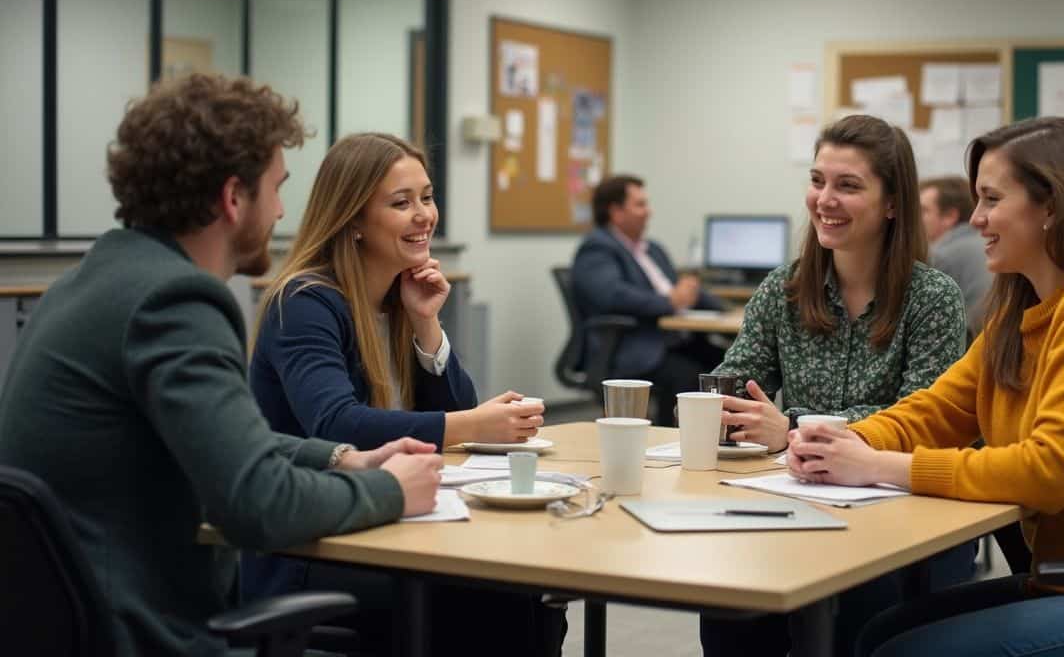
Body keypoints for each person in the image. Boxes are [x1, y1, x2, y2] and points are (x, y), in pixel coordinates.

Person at [0, 74, 442, 657]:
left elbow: (236, 444)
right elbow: (258, 502)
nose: (284, 210)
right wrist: (388, 490)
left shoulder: (92, 281)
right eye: (277, 188)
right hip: (144, 632)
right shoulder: (175, 303)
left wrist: (342, 457)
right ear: (235, 198)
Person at [787, 117, 1064, 657]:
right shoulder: (1021, 314)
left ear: (1053, 207)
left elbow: (1050, 471)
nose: (975, 219)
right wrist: (841, 442)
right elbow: (938, 409)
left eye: (992, 199)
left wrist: (877, 465)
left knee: (900, 653)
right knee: (873, 634)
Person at [245, 132, 564, 655]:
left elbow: (456, 415)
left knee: (528, 591)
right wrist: (473, 425)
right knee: (496, 598)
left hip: (391, 524)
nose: (424, 215)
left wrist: (426, 325)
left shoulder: (399, 295)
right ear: (352, 219)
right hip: (312, 545)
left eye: (427, 196)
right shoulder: (304, 303)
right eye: (401, 203)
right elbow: (338, 426)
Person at [700, 114, 971, 657]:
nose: (825, 199)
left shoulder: (932, 297)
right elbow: (729, 392)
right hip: (791, 499)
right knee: (730, 603)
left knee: (861, 609)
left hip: (892, 512)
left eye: (848, 186)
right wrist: (724, 410)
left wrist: (791, 427)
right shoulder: (785, 288)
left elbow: (923, 417)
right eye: (818, 180)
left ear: (892, 203)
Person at [571, 174, 725, 425]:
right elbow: (612, 295)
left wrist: (726, 308)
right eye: (640, 205)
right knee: (685, 376)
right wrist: (670, 302)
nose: (649, 212)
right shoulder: (597, 248)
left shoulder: (651, 249)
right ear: (616, 211)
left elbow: (682, 290)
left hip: (674, 342)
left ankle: (717, 441)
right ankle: (670, 443)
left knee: (724, 364)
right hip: (632, 348)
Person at [920, 175, 991, 333]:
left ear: (950, 216)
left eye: (923, 210)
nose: (914, 218)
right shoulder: (991, 245)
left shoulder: (941, 256)